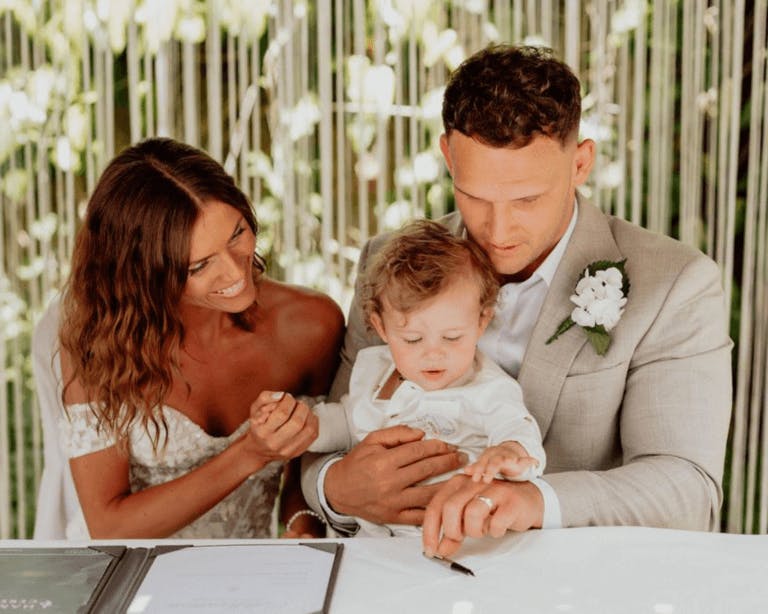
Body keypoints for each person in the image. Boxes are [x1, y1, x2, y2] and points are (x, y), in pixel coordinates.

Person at [301, 44, 732, 557]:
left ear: (580, 163)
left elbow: (687, 488)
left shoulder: (677, 283)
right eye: (475, 197)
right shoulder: (390, 264)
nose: (497, 231)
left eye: (527, 199)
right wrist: (334, 487)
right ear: (447, 157)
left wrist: (535, 501)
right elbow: (339, 425)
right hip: (401, 573)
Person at [57, 137, 344, 539]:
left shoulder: (312, 324)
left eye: (237, 234)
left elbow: (310, 458)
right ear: (143, 273)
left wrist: (301, 527)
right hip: (131, 578)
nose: (233, 273)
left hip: (255, 577)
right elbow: (109, 525)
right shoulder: (99, 347)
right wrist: (250, 453)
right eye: (199, 266)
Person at [260, 220, 545, 536]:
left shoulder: (486, 388)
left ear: (481, 321)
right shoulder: (374, 371)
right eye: (412, 339)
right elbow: (344, 420)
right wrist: (303, 426)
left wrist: (509, 450)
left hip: (462, 539)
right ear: (381, 328)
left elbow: (516, 425)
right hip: (374, 542)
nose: (432, 354)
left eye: (452, 337)